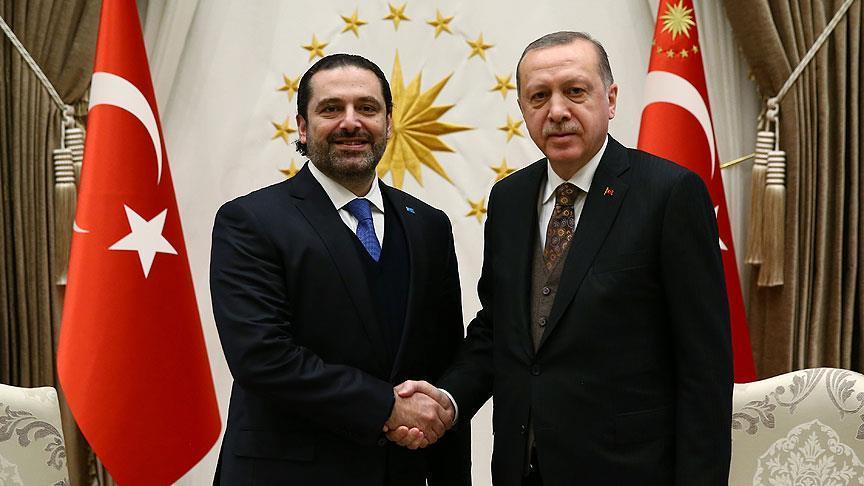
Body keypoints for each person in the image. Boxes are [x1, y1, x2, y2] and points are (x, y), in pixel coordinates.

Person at [395, 31, 733, 485]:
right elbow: (500, 330)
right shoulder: (510, 199)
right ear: (522, 108)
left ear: (610, 99)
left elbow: (704, 369)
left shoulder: (669, 193)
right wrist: (448, 399)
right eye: (539, 96)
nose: (556, 111)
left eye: (574, 91)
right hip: (522, 469)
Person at [210, 53, 471, 486]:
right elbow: (262, 357)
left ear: (388, 123)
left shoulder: (429, 226)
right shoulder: (250, 221)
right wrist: (386, 407)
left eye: (367, 108)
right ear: (302, 126)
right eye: (331, 109)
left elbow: (443, 360)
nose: (351, 122)